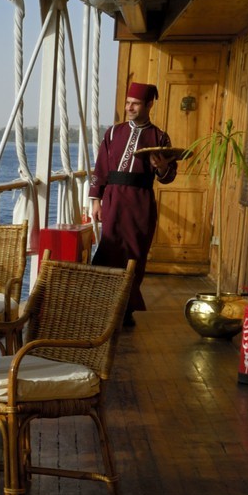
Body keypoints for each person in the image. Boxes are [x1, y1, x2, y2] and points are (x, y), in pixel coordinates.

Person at [90, 81, 177, 327]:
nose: (129, 108)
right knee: (109, 250)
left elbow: (169, 176)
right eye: (128, 103)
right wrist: (96, 199)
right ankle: (102, 305)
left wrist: (161, 167)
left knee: (134, 255)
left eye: (135, 104)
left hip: (141, 203)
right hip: (113, 201)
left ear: (149, 105)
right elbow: (101, 168)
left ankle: (126, 308)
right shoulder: (113, 133)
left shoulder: (160, 137)